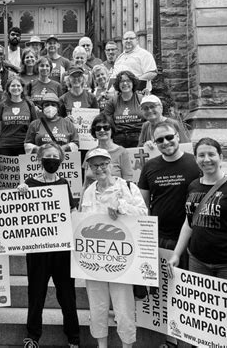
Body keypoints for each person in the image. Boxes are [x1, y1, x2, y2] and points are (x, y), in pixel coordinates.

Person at [81, 148, 147, 348]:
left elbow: (144, 215)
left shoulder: (128, 187)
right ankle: (102, 345)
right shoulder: (89, 191)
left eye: (103, 164)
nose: (99, 169)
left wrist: (122, 209)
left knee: (124, 307)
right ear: (90, 168)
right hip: (94, 260)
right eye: (94, 165)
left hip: (121, 259)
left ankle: (127, 345)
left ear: (111, 165)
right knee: (97, 306)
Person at [18, 143, 80, 348]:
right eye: (48, 156)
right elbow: (20, 214)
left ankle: (74, 338)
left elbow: (70, 211)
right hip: (37, 250)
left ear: (61, 160)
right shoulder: (29, 183)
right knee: (36, 294)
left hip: (61, 251)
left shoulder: (64, 183)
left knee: (67, 295)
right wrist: (20, 194)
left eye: (56, 156)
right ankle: (32, 336)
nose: (52, 159)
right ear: (40, 159)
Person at [168, 138, 227, 280]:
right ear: (195, 159)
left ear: (221, 157)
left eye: (211, 154)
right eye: (201, 155)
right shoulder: (193, 186)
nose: (206, 159)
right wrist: (176, 253)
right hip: (197, 260)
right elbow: (189, 223)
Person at [138, 121, 200, 262]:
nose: (165, 142)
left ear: (177, 136)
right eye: (159, 140)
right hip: (160, 237)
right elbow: (143, 205)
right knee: (163, 283)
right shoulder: (149, 166)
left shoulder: (196, 164)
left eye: (169, 137)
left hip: (191, 237)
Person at [83, 113, 133, 191]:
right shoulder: (89, 153)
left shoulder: (122, 152)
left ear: (112, 130)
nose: (102, 130)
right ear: (94, 131)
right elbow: (85, 184)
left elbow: (128, 182)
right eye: (98, 128)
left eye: (106, 127)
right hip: (93, 198)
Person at [0, 76, 38, 156]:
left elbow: (35, 125)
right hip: (4, 145)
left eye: (18, 85)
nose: (15, 88)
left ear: (22, 88)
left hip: (24, 146)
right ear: (8, 88)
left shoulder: (29, 104)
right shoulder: (3, 104)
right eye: (13, 85)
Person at [104, 71, 144, 148]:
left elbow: (149, 121)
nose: (125, 83)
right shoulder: (112, 102)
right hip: (119, 139)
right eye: (122, 81)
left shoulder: (142, 99)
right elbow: (107, 121)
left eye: (128, 81)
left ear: (133, 83)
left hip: (139, 138)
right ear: (118, 84)